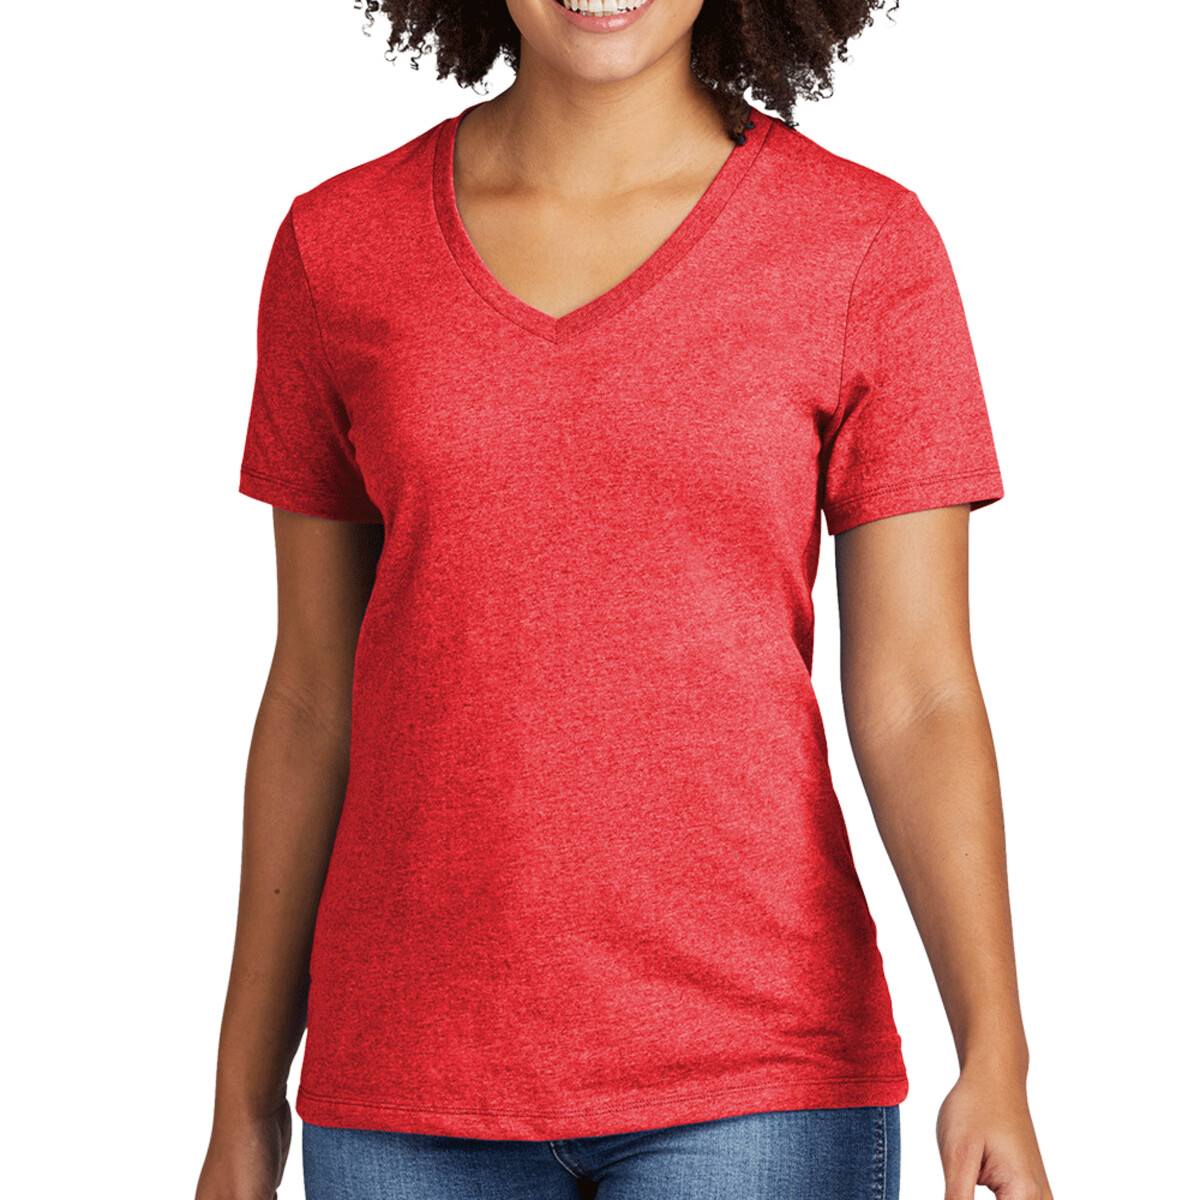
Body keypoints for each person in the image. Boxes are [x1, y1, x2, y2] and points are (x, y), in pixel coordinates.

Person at [197, 1, 1055, 1197]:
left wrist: (995, 1052)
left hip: (758, 1076)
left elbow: (918, 697)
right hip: (407, 1085)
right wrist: (243, 1105)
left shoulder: (864, 245)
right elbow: (309, 701)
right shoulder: (338, 248)